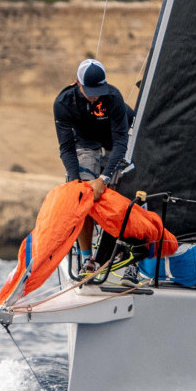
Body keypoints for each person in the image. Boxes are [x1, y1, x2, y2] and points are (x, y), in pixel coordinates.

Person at [53, 59, 132, 268]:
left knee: (113, 195)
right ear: (78, 83)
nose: (94, 95)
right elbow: (67, 148)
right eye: (89, 90)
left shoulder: (113, 98)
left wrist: (104, 179)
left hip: (113, 142)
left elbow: (121, 143)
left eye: (98, 90)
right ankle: (87, 258)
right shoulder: (63, 103)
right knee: (82, 197)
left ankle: (111, 253)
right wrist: (77, 181)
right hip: (85, 143)